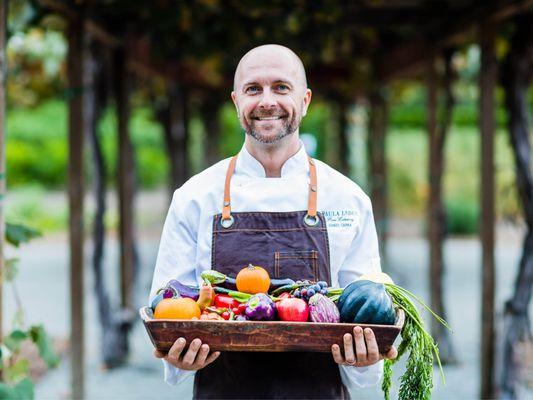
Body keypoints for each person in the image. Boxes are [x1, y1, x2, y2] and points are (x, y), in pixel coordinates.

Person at [149, 44, 397, 399]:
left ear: (306, 100)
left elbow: (366, 310)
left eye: (281, 87)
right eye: (254, 89)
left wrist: (364, 362)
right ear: (236, 102)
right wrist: (178, 360)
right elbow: (168, 305)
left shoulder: (347, 198)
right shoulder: (194, 197)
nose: (267, 101)